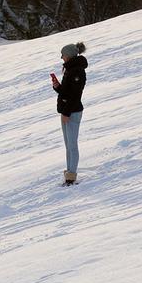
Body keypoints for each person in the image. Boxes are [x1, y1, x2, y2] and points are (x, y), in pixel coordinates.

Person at [51, 42, 87, 186]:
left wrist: (66, 113)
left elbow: (75, 96)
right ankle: (69, 174)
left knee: (72, 145)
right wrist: (58, 87)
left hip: (72, 112)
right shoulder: (70, 69)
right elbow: (67, 92)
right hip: (66, 111)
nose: (62, 57)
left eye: (63, 55)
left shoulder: (77, 71)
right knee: (68, 145)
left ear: (69, 55)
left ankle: (71, 177)